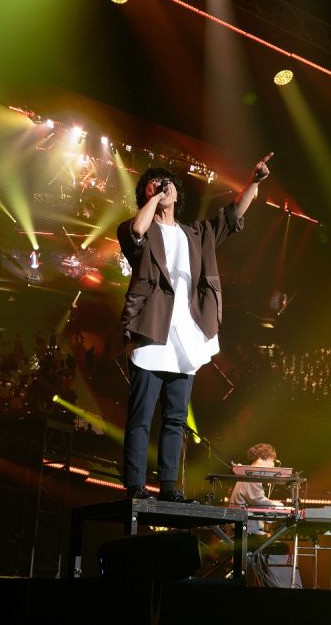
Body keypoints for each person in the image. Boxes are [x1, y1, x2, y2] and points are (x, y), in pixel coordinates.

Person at [117, 153, 273, 501]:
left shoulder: (195, 234)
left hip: (185, 338)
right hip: (150, 333)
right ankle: (135, 485)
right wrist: (154, 198)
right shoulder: (137, 228)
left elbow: (232, 215)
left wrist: (253, 182)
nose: (162, 187)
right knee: (141, 416)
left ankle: (169, 486)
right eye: (153, 184)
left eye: (167, 183)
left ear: (178, 193)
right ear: (145, 194)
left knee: (176, 419)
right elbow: (137, 231)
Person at [229, 442, 286, 532]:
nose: (273, 465)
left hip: (244, 527)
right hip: (245, 530)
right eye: (271, 460)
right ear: (260, 459)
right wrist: (276, 505)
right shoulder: (251, 474)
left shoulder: (248, 473)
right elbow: (258, 500)